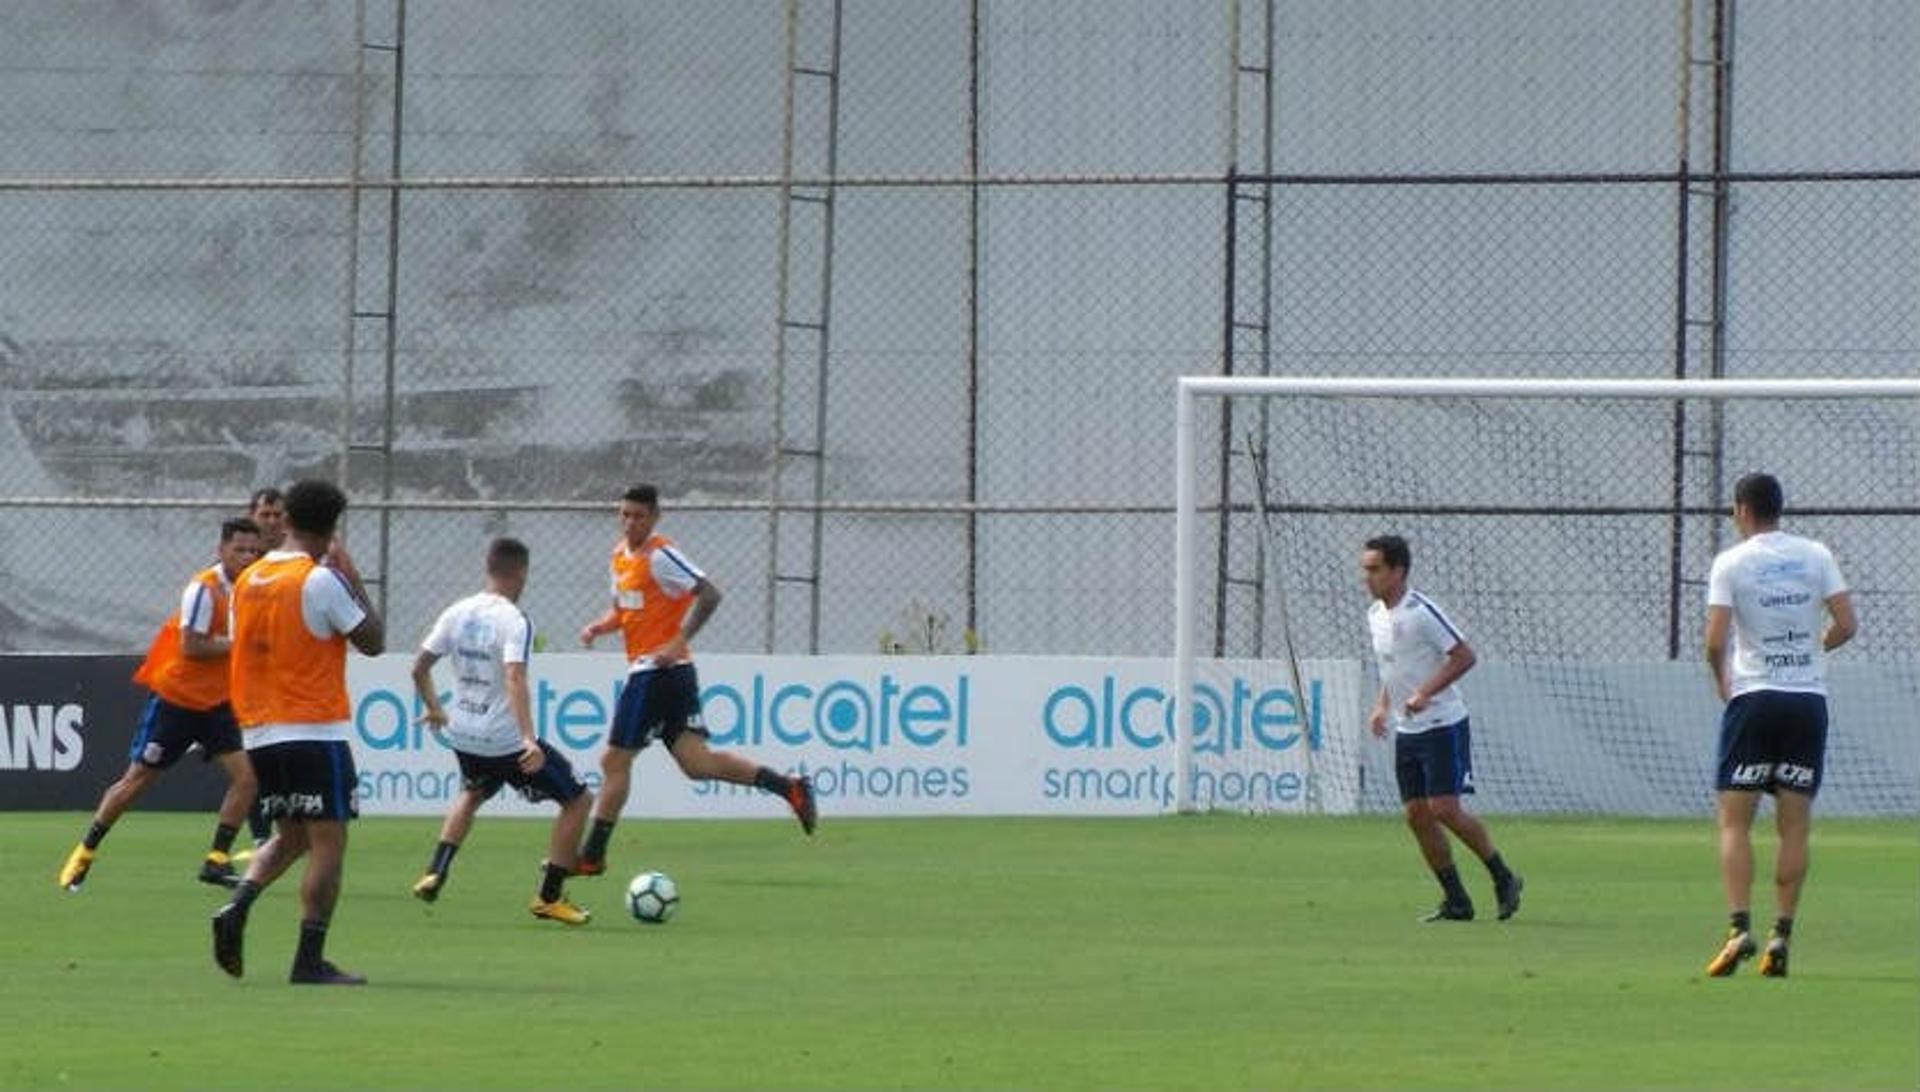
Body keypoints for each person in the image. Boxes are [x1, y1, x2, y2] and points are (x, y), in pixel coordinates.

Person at [573, 483, 816, 876]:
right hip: (669, 675)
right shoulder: (619, 556)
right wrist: (599, 628)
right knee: (697, 763)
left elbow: (710, 594)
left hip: (658, 672)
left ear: (655, 517)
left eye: (638, 515)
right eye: (624, 514)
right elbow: (624, 610)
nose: (629, 522)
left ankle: (592, 854)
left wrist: (679, 640)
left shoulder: (661, 554)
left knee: (614, 759)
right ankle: (788, 787)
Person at [211, 479, 385, 986]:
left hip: (261, 732)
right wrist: (351, 576)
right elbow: (373, 640)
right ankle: (309, 959)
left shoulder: (248, 578)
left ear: (284, 520)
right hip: (311, 726)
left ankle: (237, 905)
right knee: (329, 843)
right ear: (333, 529)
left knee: (291, 836)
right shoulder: (319, 579)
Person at [56, 518, 265, 892]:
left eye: (254, 550)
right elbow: (192, 646)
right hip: (178, 699)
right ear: (221, 551)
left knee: (248, 778)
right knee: (137, 781)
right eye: (240, 549)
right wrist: (242, 645)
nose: (248, 557)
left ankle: (215, 861)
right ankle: (85, 851)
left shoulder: (253, 588)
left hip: (218, 703)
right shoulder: (204, 589)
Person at [1702, 473, 1855, 979]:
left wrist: (1722, 680)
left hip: (1755, 698)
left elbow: (1714, 640)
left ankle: (1738, 928)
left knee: (1734, 821)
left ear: (1742, 510)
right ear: (1779, 509)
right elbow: (1848, 624)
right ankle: (1781, 935)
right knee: (1794, 824)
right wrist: (1811, 651)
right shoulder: (1817, 555)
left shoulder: (1731, 563)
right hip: (1806, 701)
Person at [408, 537, 596, 925]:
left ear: (488, 568)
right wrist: (528, 738)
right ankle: (549, 897)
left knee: (473, 791)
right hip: (504, 740)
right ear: (522, 572)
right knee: (577, 800)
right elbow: (514, 676)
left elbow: (418, 667)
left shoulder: (457, 611)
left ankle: (436, 870)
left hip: (464, 733)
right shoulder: (514, 620)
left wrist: (435, 709)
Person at [1361, 534, 1522, 923]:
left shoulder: (1421, 612)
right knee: (1416, 815)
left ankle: (1503, 876)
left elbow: (1464, 656)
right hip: (1407, 729)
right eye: (1365, 569)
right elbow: (1393, 666)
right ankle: (1456, 901)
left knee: (1444, 809)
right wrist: (1383, 705)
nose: (1367, 577)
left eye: (1375, 569)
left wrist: (1425, 693)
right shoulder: (1375, 615)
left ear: (1398, 571)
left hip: (1443, 723)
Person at [238, 486, 288, 848]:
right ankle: (260, 839)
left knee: (282, 761)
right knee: (255, 764)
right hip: (249, 681)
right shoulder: (241, 565)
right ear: (251, 516)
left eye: (277, 515)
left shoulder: (297, 562)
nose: (271, 522)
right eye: (265, 515)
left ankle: (280, 835)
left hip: (288, 679)